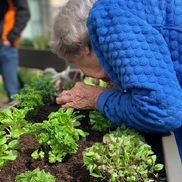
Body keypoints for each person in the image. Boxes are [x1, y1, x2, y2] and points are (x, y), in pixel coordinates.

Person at [49, 0, 182, 159]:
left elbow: (163, 113)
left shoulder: (107, 17)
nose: (83, 73)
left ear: (83, 47)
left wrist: (96, 98)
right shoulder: (123, 9)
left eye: (74, 63)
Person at [0, 0, 30, 103]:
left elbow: (24, 13)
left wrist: (10, 38)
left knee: (13, 92)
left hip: (6, 46)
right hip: (5, 45)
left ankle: (17, 118)